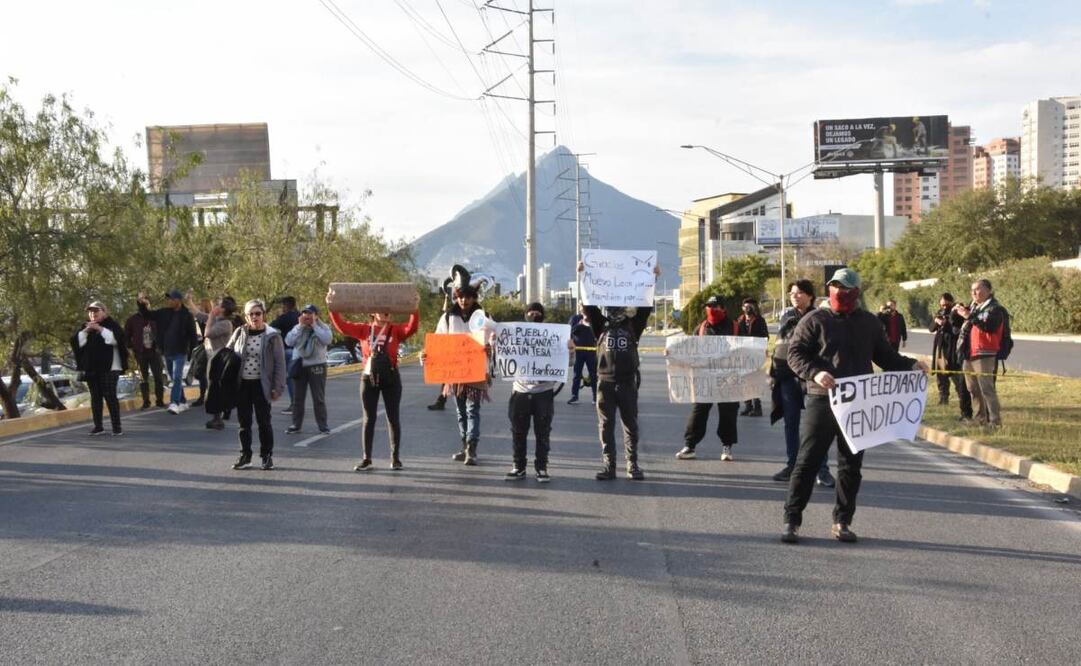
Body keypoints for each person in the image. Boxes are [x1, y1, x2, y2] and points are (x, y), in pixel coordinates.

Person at [781, 268, 928, 544]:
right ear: (828, 289)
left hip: (858, 404)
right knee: (808, 461)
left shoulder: (870, 323)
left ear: (856, 292)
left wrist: (910, 365)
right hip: (822, 399)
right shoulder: (815, 319)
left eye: (846, 289)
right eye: (835, 287)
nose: (840, 293)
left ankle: (842, 521)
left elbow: (886, 356)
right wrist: (815, 373)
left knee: (850, 466)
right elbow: (795, 354)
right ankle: (792, 520)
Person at [581, 261, 660, 481]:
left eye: (620, 305)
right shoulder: (600, 325)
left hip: (627, 382)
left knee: (630, 424)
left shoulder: (634, 325)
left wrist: (653, 279)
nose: (616, 309)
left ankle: (632, 465)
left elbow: (646, 306)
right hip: (604, 382)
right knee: (606, 426)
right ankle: (609, 466)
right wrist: (583, 276)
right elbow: (588, 304)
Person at [330, 300, 419, 470]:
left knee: (393, 417)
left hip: (391, 378)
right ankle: (367, 458)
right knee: (368, 418)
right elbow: (342, 326)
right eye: (381, 309)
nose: (386, 312)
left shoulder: (395, 330)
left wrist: (414, 308)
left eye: (388, 309)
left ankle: (395, 458)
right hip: (368, 378)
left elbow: (412, 328)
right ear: (373, 313)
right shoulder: (364, 329)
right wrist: (332, 308)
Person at [769, 281, 834, 487]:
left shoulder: (820, 318)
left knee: (817, 425)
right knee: (791, 422)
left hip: (813, 377)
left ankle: (822, 470)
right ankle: (792, 465)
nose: (794, 296)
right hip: (789, 377)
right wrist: (773, 373)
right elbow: (780, 348)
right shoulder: (786, 318)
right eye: (791, 293)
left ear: (810, 296)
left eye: (799, 293)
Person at [504, 303, 571, 483]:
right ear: (525, 314)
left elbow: (567, 363)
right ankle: (519, 467)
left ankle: (541, 468)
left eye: (538, 312)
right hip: (520, 392)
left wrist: (570, 351)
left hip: (544, 393)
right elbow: (501, 358)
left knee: (543, 433)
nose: (534, 315)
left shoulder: (555, 337)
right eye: (530, 312)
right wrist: (497, 342)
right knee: (518, 432)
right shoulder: (515, 336)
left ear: (543, 315)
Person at [674, 295, 740, 462]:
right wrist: (673, 353)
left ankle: (727, 446)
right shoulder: (702, 327)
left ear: (723, 308)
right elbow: (689, 348)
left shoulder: (735, 327)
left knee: (728, 413)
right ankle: (690, 445)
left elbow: (748, 349)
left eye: (716, 306)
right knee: (699, 411)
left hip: (728, 379)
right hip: (705, 379)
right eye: (709, 306)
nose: (712, 309)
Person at [431, 284, 491, 465]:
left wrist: (490, 346)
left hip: (476, 371)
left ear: (474, 298)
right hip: (455, 372)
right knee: (460, 412)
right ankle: (465, 446)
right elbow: (438, 340)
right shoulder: (448, 317)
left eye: (468, 296)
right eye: (460, 297)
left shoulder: (484, 317)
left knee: (473, 410)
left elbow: (495, 338)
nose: (464, 300)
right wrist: (427, 355)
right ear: (456, 298)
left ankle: (472, 449)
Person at [226, 299, 287, 471]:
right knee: (243, 423)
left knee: (264, 422)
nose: (254, 317)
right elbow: (228, 354)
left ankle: (266, 456)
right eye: (250, 314)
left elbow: (280, 364)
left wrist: (278, 387)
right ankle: (245, 456)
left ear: (263, 315)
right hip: (243, 384)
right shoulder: (239, 333)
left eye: (257, 313)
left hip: (262, 386)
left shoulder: (272, 336)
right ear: (246, 316)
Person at [71, 301, 129, 436]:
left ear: (104, 312)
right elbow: (76, 342)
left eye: (96, 311)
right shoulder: (86, 327)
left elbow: (115, 339)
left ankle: (116, 426)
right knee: (95, 397)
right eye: (90, 311)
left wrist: (100, 329)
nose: (93, 313)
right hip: (92, 368)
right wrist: (86, 330)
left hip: (110, 368)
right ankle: (98, 426)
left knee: (110, 396)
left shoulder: (112, 325)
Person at [955, 279, 1007, 428]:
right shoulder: (973, 307)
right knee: (972, 389)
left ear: (989, 291)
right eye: (972, 290)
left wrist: (969, 316)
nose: (973, 293)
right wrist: (957, 313)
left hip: (985, 353)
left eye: (977, 289)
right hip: (969, 353)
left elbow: (988, 327)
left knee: (986, 389)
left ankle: (995, 421)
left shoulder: (995, 309)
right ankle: (980, 419)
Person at [138, 289, 198, 414]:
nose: (169, 301)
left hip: (180, 352)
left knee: (176, 378)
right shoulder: (163, 312)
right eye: (168, 299)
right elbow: (147, 315)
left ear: (178, 301)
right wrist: (141, 303)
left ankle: (174, 403)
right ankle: (183, 401)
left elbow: (193, 335)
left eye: (171, 299)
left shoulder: (187, 315)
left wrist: (193, 352)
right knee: (174, 377)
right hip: (167, 351)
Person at [286, 304, 334, 436]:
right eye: (304, 313)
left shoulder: (322, 327)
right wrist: (300, 327)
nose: (306, 316)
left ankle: (323, 426)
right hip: (300, 365)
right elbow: (289, 341)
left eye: (310, 313)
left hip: (317, 365)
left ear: (316, 315)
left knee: (318, 398)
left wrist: (314, 326)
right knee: (298, 398)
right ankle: (296, 425)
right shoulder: (298, 327)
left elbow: (327, 339)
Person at [929, 292, 973, 420]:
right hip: (941, 348)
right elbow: (931, 328)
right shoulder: (939, 312)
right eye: (941, 305)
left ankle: (962, 398)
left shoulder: (956, 312)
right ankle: (943, 397)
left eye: (946, 304)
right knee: (941, 374)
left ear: (951, 302)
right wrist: (936, 321)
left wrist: (946, 322)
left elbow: (955, 328)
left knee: (955, 374)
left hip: (952, 347)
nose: (943, 307)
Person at [202, 296, 238, 430]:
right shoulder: (219, 320)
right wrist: (190, 302)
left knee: (215, 388)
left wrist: (211, 314)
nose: (216, 306)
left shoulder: (225, 323)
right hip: (216, 357)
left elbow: (208, 333)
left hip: (221, 357)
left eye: (219, 305)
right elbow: (201, 316)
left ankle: (218, 418)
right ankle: (221, 415)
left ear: (223, 309)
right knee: (216, 388)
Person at [124, 301, 166, 410]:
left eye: (147, 304)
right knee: (143, 378)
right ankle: (146, 401)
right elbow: (126, 336)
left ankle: (160, 400)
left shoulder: (155, 318)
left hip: (154, 352)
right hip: (140, 353)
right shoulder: (132, 320)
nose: (146, 307)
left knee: (158, 377)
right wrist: (132, 347)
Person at [736, 297, 768, 416]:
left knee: (755, 380)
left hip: (756, 355)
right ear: (742, 308)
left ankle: (757, 407)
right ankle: (748, 406)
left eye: (750, 306)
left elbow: (765, 336)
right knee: (745, 380)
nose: (748, 309)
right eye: (745, 306)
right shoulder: (739, 320)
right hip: (743, 355)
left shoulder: (760, 320)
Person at [270, 296, 300, 415]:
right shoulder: (300, 316)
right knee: (298, 379)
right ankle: (298, 403)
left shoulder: (284, 317)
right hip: (300, 351)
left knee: (290, 378)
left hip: (288, 350)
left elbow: (270, 327)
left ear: (287, 305)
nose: (282, 307)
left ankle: (294, 404)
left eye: (283, 305)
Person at [567, 304, 598, 405]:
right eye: (582, 308)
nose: (583, 311)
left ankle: (595, 397)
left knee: (593, 374)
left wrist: (589, 322)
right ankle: (574, 396)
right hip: (578, 351)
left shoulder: (594, 319)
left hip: (591, 351)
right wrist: (581, 323)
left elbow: (598, 333)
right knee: (577, 374)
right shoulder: (575, 318)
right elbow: (569, 332)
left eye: (585, 309)